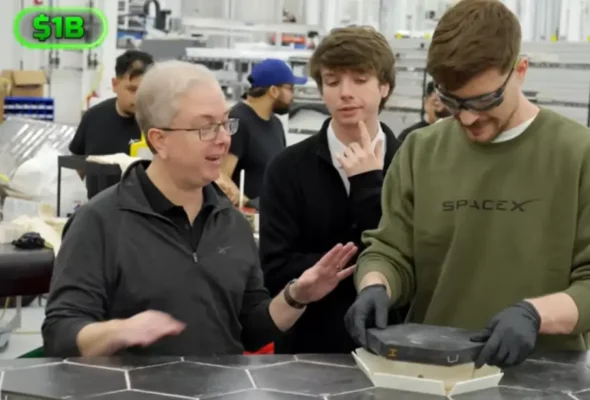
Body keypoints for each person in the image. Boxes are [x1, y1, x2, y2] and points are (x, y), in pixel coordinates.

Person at [345, 0, 590, 369]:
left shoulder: (585, 157)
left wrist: (535, 314)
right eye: (451, 101)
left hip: (544, 382)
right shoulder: (421, 151)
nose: (467, 117)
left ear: (521, 70)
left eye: (485, 100)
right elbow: (391, 250)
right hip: (431, 373)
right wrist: (375, 284)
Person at [42, 61, 358, 358]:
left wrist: (297, 296)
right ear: (159, 140)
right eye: (206, 128)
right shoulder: (99, 223)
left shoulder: (231, 222)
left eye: (225, 124)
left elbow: (251, 330)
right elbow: (60, 334)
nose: (223, 140)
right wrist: (119, 331)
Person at [260, 26, 402, 354]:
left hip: (392, 347)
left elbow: (412, 259)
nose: (345, 92)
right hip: (306, 350)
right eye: (333, 81)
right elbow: (274, 268)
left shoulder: (411, 163)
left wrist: (368, 183)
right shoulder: (287, 168)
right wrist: (343, 269)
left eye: (360, 79)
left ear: (384, 86)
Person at [218, 59, 306, 206]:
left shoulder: (276, 124)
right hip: (245, 219)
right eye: (290, 88)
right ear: (273, 91)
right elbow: (221, 175)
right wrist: (250, 205)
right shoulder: (238, 120)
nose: (293, 95)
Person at [69, 50, 154, 199]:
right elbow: (77, 168)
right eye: (132, 89)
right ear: (115, 84)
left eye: (145, 90)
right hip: (97, 210)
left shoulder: (157, 122)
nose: (139, 98)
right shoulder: (93, 117)